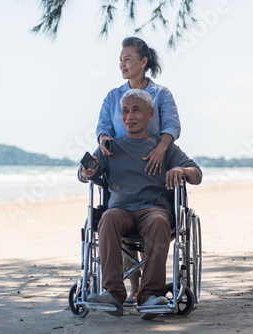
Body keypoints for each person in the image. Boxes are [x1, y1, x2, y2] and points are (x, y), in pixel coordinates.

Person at [79, 89, 202, 319]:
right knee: (107, 218)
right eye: (125, 111)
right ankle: (113, 294)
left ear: (150, 114)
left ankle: (149, 296)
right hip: (120, 210)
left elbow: (197, 174)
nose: (129, 116)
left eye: (136, 110)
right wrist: (87, 171)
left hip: (153, 211)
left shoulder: (164, 149)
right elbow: (85, 174)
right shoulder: (110, 147)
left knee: (158, 221)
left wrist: (180, 169)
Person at [96, 37, 182, 302]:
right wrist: (104, 142)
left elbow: (172, 125)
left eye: (128, 59)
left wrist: (161, 148)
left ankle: (148, 291)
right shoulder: (113, 96)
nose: (122, 64)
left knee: (154, 219)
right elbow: (103, 128)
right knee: (116, 214)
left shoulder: (161, 93)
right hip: (122, 162)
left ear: (143, 62)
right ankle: (131, 289)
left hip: (154, 161)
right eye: (120, 60)